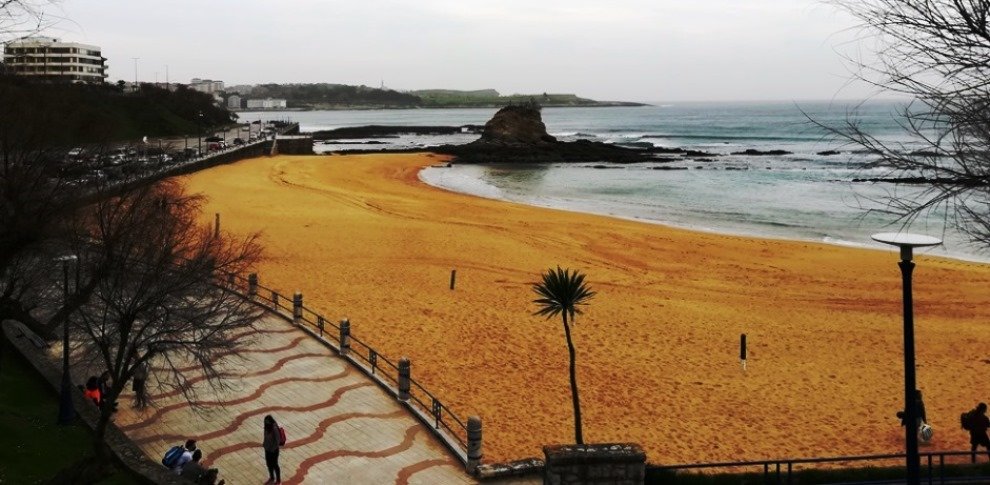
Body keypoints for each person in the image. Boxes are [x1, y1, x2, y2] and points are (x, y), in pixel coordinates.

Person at [263, 415, 281, 484]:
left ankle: (278, 480)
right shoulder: (266, 427)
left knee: (275, 464)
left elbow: (277, 440)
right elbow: (265, 436)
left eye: (267, 422)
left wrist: (273, 449)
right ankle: (272, 477)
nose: (266, 423)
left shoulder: (274, 428)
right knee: (268, 464)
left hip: (274, 450)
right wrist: (264, 444)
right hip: (267, 449)